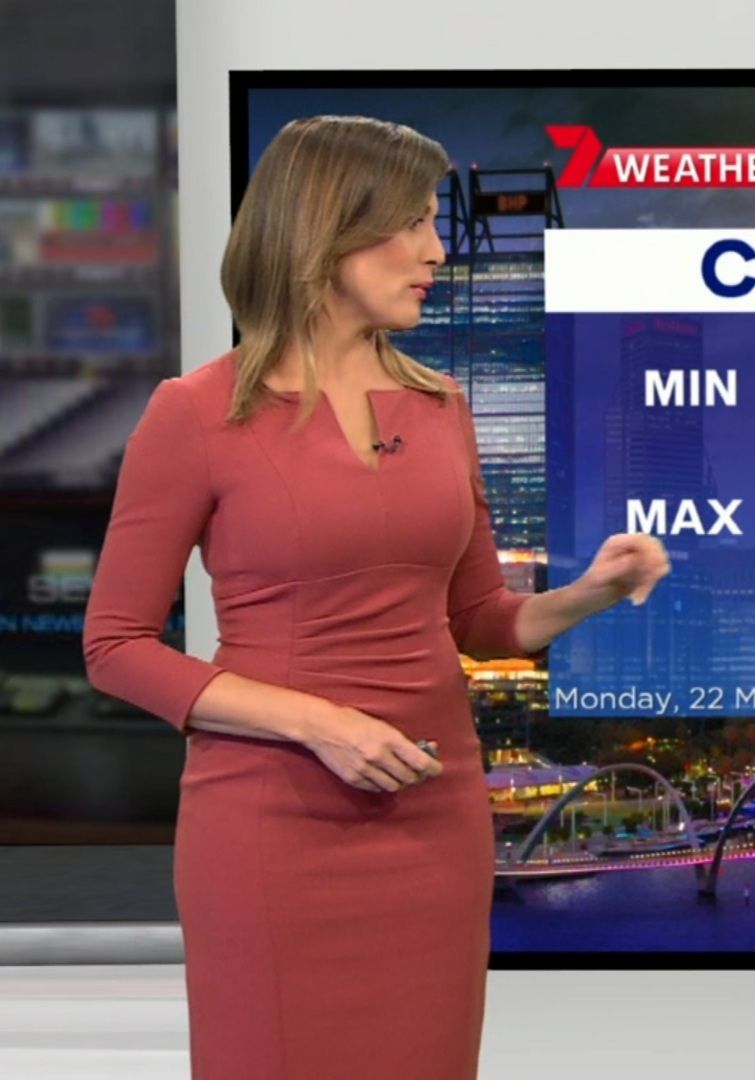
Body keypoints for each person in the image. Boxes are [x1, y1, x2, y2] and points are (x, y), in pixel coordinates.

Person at [82, 115, 670, 1079]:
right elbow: (116, 646)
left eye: (435, 222)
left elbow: (481, 621)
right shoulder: (195, 414)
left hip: (433, 819)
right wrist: (320, 724)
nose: (436, 249)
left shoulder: (442, 407)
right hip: (271, 824)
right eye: (411, 223)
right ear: (326, 230)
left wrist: (594, 591)